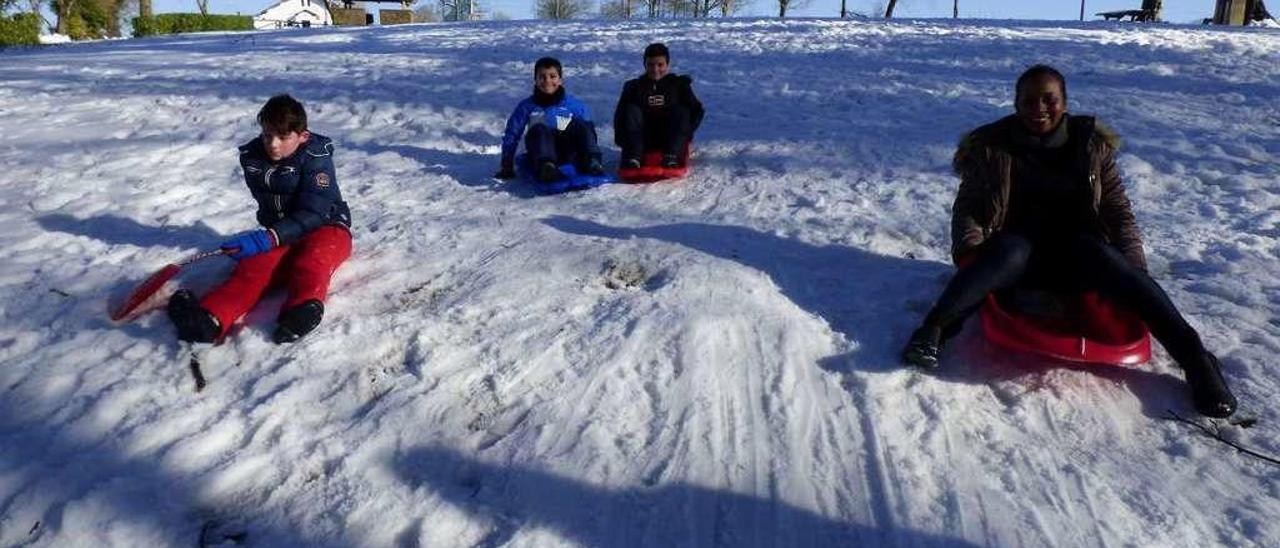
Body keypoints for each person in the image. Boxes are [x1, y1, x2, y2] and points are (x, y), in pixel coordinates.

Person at [901, 65, 1237, 418]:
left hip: (1078, 252)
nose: (1039, 108)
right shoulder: (991, 146)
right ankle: (933, 331)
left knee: (1104, 258)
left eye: (1050, 99)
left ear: (1064, 102)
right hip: (1018, 253)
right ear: (1016, 103)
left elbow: (1116, 210)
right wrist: (971, 254)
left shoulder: (1090, 145)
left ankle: (1197, 361)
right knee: (1009, 250)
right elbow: (968, 206)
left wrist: (1131, 266)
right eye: (1028, 100)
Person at [167, 94, 353, 344]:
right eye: (267, 135)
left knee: (312, 261)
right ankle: (210, 318)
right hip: (282, 233)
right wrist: (268, 238)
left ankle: (303, 309)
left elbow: (315, 211)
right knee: (254, 268)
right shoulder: (254, 158)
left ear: (303, 136)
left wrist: (270, 236)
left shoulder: (316, 159)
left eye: (283, 137)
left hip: (327, 227)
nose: (273, 144)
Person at [495, 57, 604, 183]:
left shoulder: (573, 104)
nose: (547, 81)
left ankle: (592, 162)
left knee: (581, 124)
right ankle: (547, 168)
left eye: (552, 76)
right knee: (539, 129)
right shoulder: (527, 106)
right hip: (540, 151)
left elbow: (588, 132)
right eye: (542, 77)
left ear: (560, 80)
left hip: (569, 151)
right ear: (535, 80)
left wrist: (590, 150)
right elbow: (512, 134)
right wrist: (507, 163)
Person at [613, 42, 705, 169]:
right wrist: (622, 140)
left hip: (671, 137)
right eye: (650, 65)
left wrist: (686, 133)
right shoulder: (634, 87)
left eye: (660, 65)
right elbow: (620, 115)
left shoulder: (678, 85)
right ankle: (634, 158)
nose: (655, 69)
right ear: (645, 64)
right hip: (642, 137)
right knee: (631, 109)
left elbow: (697, 110)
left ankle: (671, 157)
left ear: (667, 64)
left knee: (682, 110)